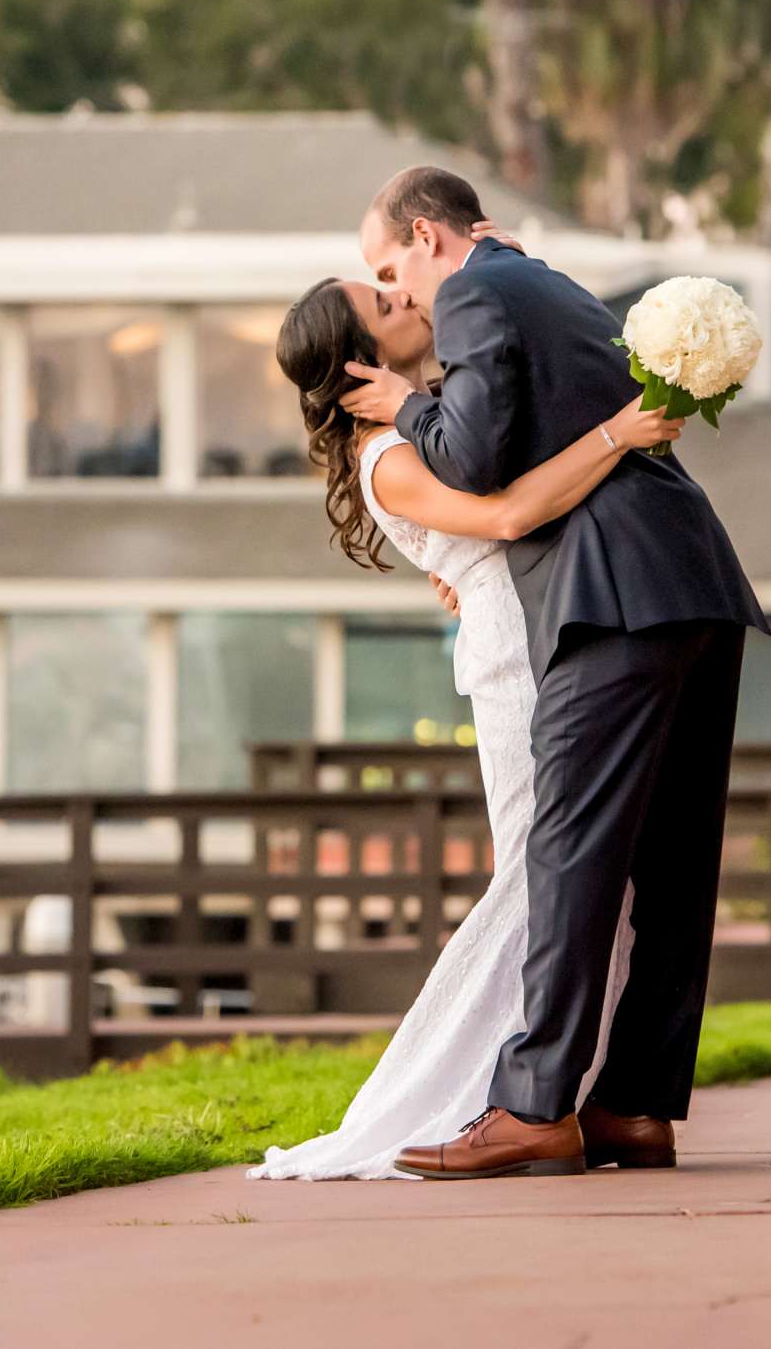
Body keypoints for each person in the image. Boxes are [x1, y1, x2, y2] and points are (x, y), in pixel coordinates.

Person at [337, 167, 769, 1180]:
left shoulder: (480, 291)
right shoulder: (540, 283)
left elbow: (480, 460)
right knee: (673, 867)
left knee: (568, 851)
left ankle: (533, 1105)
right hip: (689, 580)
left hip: (616, 592)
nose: (398, 293)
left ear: (429, 236)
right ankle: (632, 1105)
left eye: (392, 268)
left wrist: (407, 408)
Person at [251, 263, 684, 1179]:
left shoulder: (434, 419)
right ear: (358, 365)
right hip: (521, 658)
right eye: (383, 304)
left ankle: (575, 1092)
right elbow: (514, 511)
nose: (405, 297)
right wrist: (620, 430)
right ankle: (496, 1094)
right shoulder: (390, 456)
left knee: (595, 880)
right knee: (547, 874)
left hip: (540, 621)